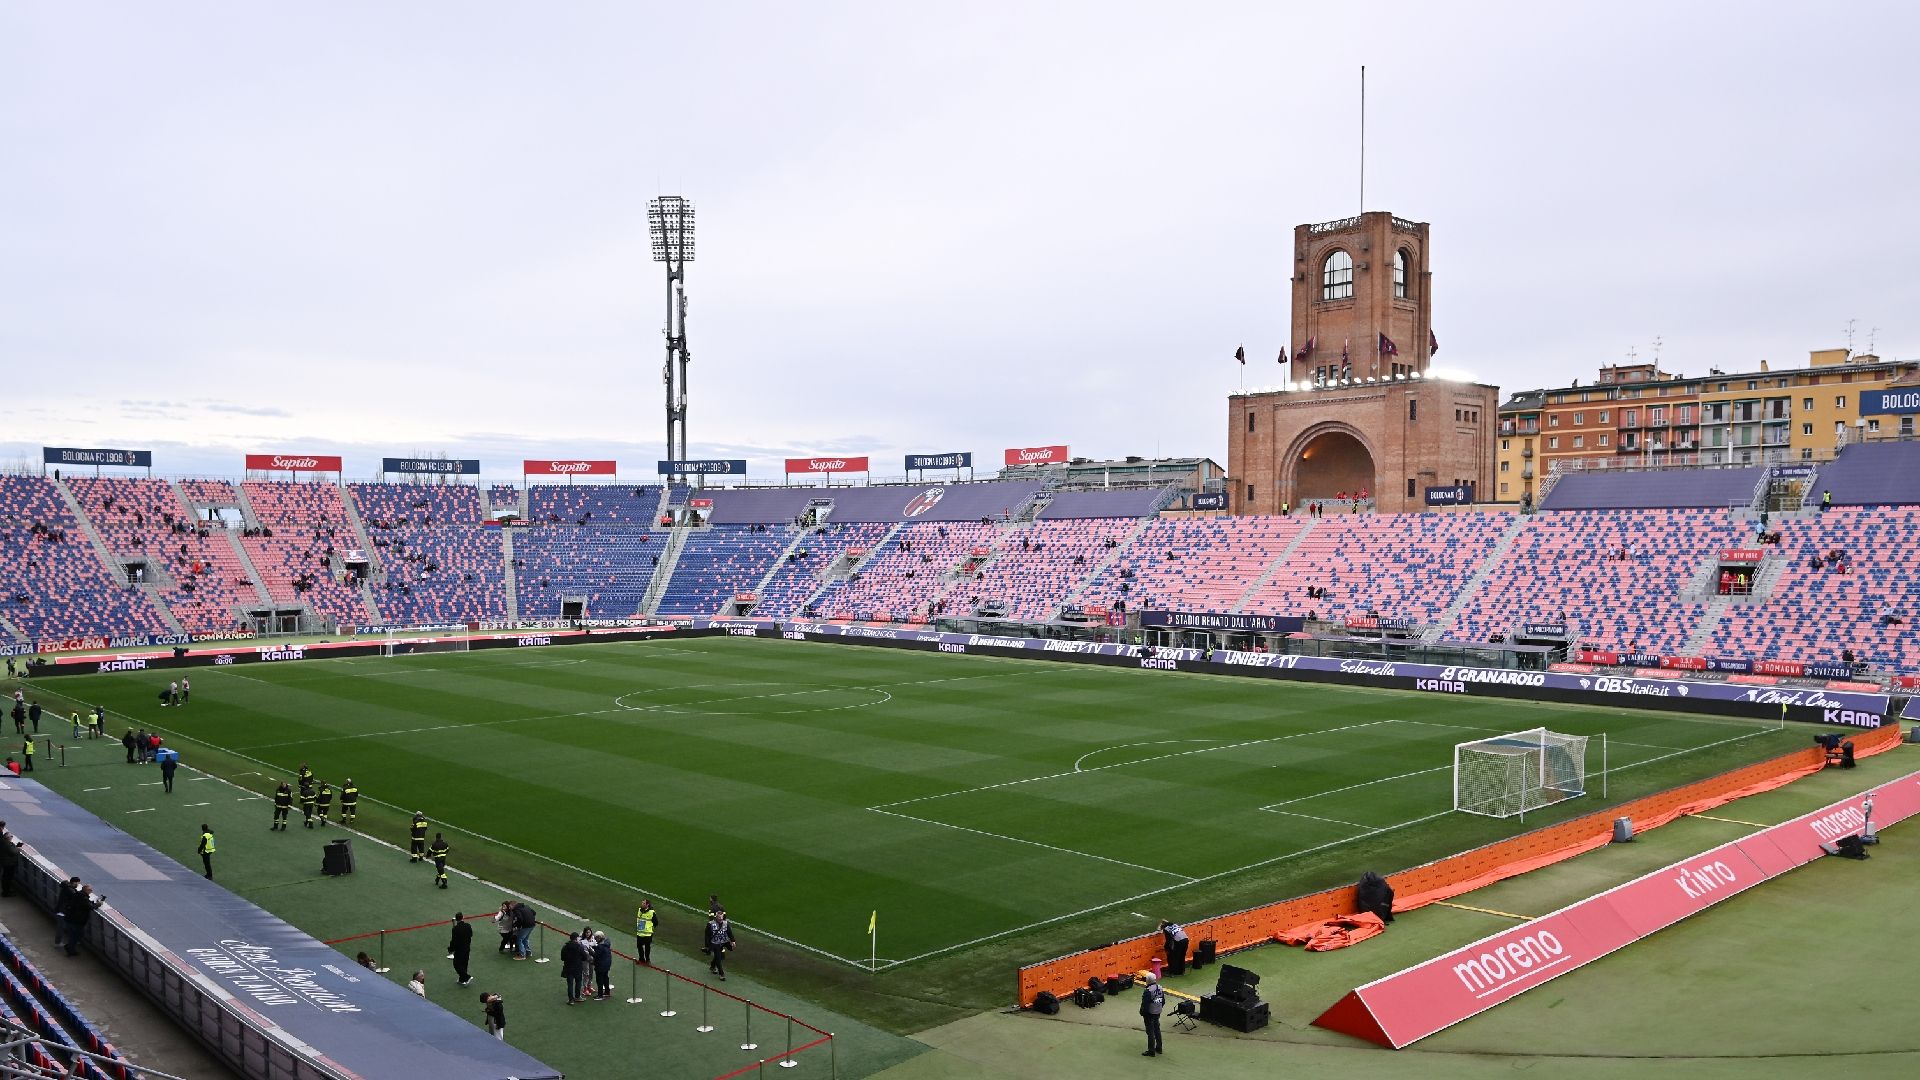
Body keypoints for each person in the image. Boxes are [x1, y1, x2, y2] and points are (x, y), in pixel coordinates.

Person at [1139, 971, 1166, 1056]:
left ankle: (1151, 1051)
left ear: (1148, 980)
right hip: (1157, 1011)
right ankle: (1159, 1048)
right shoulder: (1160, 988)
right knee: (1157, 1029)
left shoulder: (1148, 990)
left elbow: (1145, 1004)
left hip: (1149, 1013)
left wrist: (1142, 1012)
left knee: (1150, 1032)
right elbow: (1163, 1001)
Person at [705, 910, 735, 980]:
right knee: (719, 957)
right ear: (716, 917)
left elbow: (729, 932)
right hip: (715, 943)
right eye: (719, 918)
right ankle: (721, 974)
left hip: (724, 941)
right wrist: (707, 945)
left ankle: (712, 965)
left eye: (721, 918)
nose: (721, 919)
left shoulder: (726, 923)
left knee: (731, 949)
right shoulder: (710, 924)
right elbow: (707, 935)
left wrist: (733, 941)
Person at [560, 932, 588, 1004]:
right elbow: (585, 957)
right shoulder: (580, 947)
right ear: (576, 938)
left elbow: (562, 958)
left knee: (570, 984)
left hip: (568, 967)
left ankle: (571, 1000)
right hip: (578, 968)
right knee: (578, 982)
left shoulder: (565, 947)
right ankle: (577, 997)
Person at [449, 912, 474, 986]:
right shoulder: (468, 925)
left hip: (459, 949)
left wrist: (450, 949)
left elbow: (453, 940)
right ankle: (461, 979)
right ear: (463, 917)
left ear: (456, 919)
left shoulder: (455, 929)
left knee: (456, 964)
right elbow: (471, 934)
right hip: (467, 947)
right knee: (464, 963)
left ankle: (466, 977)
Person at [634, 899, 657, 965]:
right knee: (639, 946)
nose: (642, 904)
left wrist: (650, 928)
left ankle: (647, 960)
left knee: (647, 947)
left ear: (647, 905)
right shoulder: (639, 910)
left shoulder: (652, 912)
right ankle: (641, 959)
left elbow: (656, 922)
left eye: (644, 903)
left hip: (648, 934)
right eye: (642, 903)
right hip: (640, 932)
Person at [592, 931, 613, 1000]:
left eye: (596, 938)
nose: (595, 939)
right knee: (605, 977)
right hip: (607, 964)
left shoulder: (600, 946)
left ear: (599, 938)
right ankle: (607, 992)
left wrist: (589, 949)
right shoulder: (606, 942)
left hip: (601, 965)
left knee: (599, 979)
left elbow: (596, 955)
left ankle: (600, 995)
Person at [0, 822, 20, 898]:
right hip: (9, 864)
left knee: (5, 877)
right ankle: (6, 892)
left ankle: (6, 891)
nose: (12, 837)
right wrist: (18, 847)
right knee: (8, 877)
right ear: (8, 838)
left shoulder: (3, 842)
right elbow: (13, 852)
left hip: (5, 862)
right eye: (11, 836)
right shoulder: (7, 844)